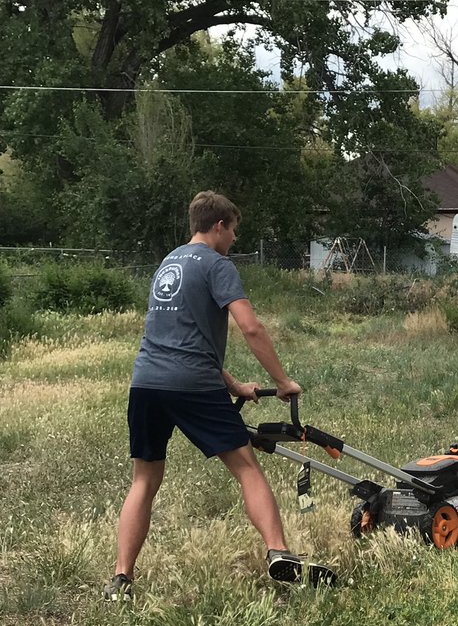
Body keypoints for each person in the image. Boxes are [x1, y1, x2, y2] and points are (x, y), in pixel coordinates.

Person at [107, 190, 310, 599]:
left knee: (144, 480)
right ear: (219, 225)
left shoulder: (168, 263)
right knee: (247, 468)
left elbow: (183, 336)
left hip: (146, 382)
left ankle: (121, 578)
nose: (234, 238)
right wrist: (282, 381)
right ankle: (278, 551)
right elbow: (251, 327)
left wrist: (233, 386)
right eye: (233, 230)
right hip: (193, 385)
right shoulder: (218, 265)